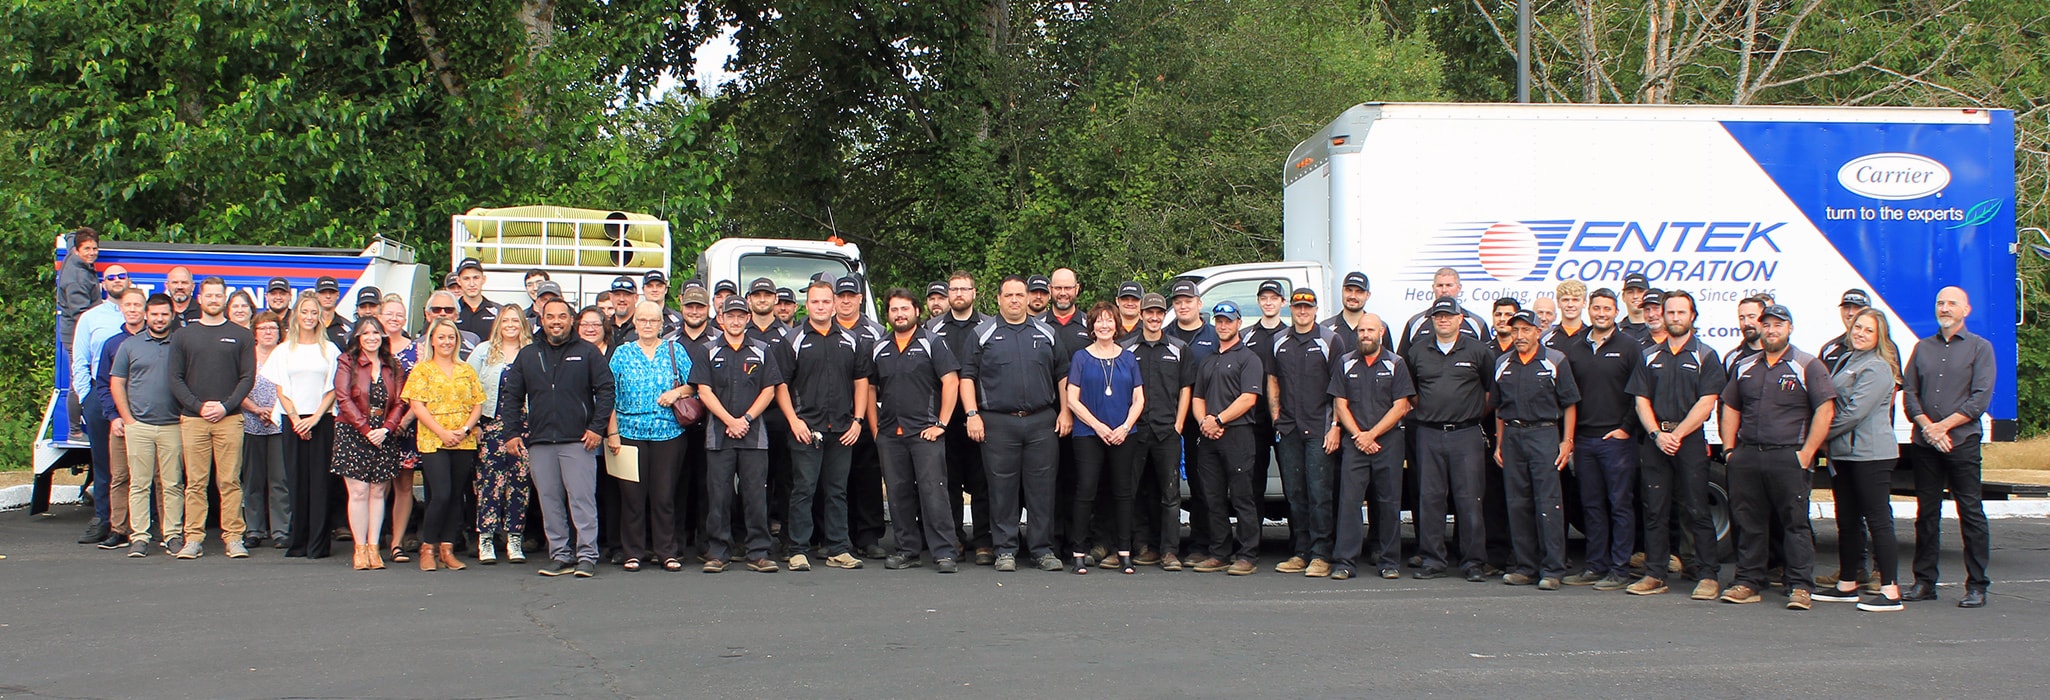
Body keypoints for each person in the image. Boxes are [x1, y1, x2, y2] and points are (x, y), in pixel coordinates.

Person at [1717, 302, 1835, 610]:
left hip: (1788, 457)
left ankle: (1799, 586)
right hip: (1748, 456)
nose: (1771, 330)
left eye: (1778, 325)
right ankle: (1748, 581)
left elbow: (1825, 409)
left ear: (1790, 328)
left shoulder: (1807, 365)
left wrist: (1807, 453)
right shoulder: (1745, 366)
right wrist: (1730, 450)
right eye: (1767, 325)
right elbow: (1730, 406)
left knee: (1794, 524)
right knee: (1748, 522)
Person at [960, 275, 1073, 573]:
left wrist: (1065, 412)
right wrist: (972, 415)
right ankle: (1005, 550)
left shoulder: (1046, 332)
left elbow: (1063, 375)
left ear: (1028, 298)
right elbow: (967, 377)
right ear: (998, 299)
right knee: (1001, 489)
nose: (1014, 300)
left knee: (1042, 489)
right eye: (1008, 295)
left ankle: (1042, 549)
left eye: (1019, 295)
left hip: (1041, 422)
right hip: (997, 423)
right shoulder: (983, 334)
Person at [503, 298, 617, 579]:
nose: (556, 321)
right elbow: (512, 396)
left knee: (581, 500)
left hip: (578, 440)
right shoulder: (528, 355)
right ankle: (561, 554)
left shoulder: (587, 353)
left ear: (571, 320)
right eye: (550, 317)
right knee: (550, 501)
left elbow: (606, 390)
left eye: (562, 317)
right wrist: (512, 432)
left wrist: (597, 428)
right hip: (540, 441)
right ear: (541, 320)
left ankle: (587, 555)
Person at [1624, 289, 1726, 599]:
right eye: (1670, 313)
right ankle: (1655, 573)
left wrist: (1677, 435)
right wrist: (1657, 434)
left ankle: (1707, 575)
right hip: (1656, 441)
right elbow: (1641, 400)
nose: (1675, 318)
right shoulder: (1649, 355)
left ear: (1692, 316)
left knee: (1696, 508)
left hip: (1689, 441)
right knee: (1654, 509)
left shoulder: (1706, 355)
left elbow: (1707, 403)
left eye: (1681, 312)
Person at [1903, 286, 1997, 608]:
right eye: (1940, 303)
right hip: (1926, 442)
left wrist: (1944, 426)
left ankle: (1977, 585)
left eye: (1952, 304)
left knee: (1970, 512)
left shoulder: (1980, 349)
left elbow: (1980, 398)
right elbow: (1910, 394)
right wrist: (1928, 427)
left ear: (1966, 310)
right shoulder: (1922, 348)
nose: (1945, 308)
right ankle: (1924, 582)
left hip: (1962, 442)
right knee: (1926, 513)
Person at [1813, 308, 1906, 612]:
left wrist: (1820, 435)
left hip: (1871, 455)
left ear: (1880, 335)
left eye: (1868, 329)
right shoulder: (1847, 360)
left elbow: (1854, 413)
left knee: (1878, 519)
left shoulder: (1879, 367)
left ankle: (1890, 589)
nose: (1861, 333)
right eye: (1858, 327)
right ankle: (1847, 584)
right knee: (1848, 520)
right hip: (1844, 455)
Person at [775, 281, 871, 571]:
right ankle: (798, 550)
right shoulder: (793, 340)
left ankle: (838, 549)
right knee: (803, 489)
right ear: (808, 305)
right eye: (815, 302)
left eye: (825, 302)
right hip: (806, 429)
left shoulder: (852, 339)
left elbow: (861, 382)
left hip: (842, 428)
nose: (820, 307)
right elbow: (780, 385)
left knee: (837, 491)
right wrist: (794, 422)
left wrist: (858, 421)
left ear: (833, 305)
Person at [867, 288, 963, 573]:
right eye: (894, 310)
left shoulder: (933, 343)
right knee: (897, 494)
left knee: (934, 492)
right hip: (889, 435)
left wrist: (942, 424)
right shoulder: (879, 347)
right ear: (888, 315)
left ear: (916, 311)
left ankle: (944, 552)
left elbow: (951, 382)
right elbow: (870, 389)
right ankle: (907, 550)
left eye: (904, 309)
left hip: (925, 432)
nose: (899, 314)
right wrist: (875, 431)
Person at [1403, 296, 1495, 582]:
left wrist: (1470, 415)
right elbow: (1412, 392)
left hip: (1466, 434)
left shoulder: (1479, 351)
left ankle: (1473, 562)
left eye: (1448, 316)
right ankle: (1433, 559)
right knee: (1430, 499)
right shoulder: (1418, 351)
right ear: (1432, 320)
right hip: (1429, 433)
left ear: (1460, 319)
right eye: (1438, 316)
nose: (1443, 320)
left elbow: (1491, 392)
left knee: (1469, 500)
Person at [1490, 310, 1581, 591]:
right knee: (1517, 503)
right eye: (1515, 330)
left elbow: (1569, 403)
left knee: (1548, 503)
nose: (1519, 336)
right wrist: (1499, 443)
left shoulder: (1555, 360)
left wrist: (1567, 441)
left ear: (1537, 332)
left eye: (1525, 330)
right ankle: (1525, 567)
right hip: (1514, 436)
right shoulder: (1503, 363)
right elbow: (1498, 408)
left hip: (1544, 434)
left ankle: (1552, 568)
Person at [167, 276, 256, 559]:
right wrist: (198, 405)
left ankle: (233, 537)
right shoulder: (183, 335)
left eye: (219, 296)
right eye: (209, 296)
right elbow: (174, 378)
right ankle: (193, 538)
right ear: (200, 298)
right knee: (195, 482)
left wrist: (226, 406)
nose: (214, 300)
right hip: (193, 419)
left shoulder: (241, 335)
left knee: (230, 481)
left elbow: (247, 377)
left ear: (224, 299)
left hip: (229, 418)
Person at [694, 298, 783, 573]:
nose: (735, 321)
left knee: (755, 495)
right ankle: (719, 552)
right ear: (720, 319)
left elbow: (770, 390)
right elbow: (703, 391)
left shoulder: (762, 350)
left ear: (747, 318)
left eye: (740, 316)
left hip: (753, 435)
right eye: (729, 316)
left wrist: (744, 419)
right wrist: (729, 420)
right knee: (718, 495)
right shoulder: (708, 350)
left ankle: (758, 551)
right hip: (718, 435)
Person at [1559, 289, 1639, 591]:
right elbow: (1569, 398)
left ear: (1616, 312)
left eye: (1607, 308)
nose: (1601, 313)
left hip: (1616, 439)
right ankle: (1595, 565)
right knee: (1591, 506)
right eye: (1596, 308)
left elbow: (1640, 393)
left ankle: (1620, 568)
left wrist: (1626, 428)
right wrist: (1570, 438)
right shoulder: (1576, 349)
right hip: (1585, 440)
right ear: (1588, 311)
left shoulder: (1630, 347)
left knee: (1619, 505)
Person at [603, 302, 692, 572]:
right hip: (629, 432)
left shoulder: (675, 350)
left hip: (668, 432)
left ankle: (667, 551)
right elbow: (609, 394)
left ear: (661, 324)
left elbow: (695, 384)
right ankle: (633, 552)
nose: (648, 325)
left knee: (664, 495)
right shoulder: (622, 353)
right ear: (636, 323)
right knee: (632, 496)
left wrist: (676, 394)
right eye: (642, 320)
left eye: (653, 320)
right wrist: (612, 433)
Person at [1327, 313, 1411, 581]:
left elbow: (1401, 406)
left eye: (1370, 330)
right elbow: (1340, 403)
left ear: (1381, 332)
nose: (1365, 334)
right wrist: (1359, 435)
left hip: (1388, 443)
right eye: (1362, 330)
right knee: (1349, 504)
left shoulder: (1396, 363)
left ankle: (1389, 561)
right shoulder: (1345, 362)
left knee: (1388, 503)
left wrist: (1372, 434)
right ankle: (1344, 562)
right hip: (1355, 444)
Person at [1063, 302, 1144, 575]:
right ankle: (1078, 553)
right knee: (1086, 491)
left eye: (1109, 320)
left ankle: (1124, 552)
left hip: (1124, 434)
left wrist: (1124, 426)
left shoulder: (1129, 358)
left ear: (1117, 325)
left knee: (1123, 492)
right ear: (1092, 326)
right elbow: (1072, 400)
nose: (1105, 325)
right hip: (1088, 433)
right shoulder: (1081, 358)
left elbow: (1138, 398)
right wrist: (1098, 426)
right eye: (1099, 321)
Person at [1267, 288, 1341, 577]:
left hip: (1320, 429)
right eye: (1298, 307)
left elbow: (1339, 387)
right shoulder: (1279, 341)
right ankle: (1301, 551)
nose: (1302, 312)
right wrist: (1276, 417)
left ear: (1315, 310)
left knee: (1319, 493)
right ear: (1291, 310)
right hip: (1288, 429)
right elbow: (1272, 380)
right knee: (1295, 493)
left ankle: (1322, 555)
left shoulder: (1329, 340)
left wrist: (1335, 426)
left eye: (1307, 308)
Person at [1188, 301, 1263, 576]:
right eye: (1219, 321)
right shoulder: (1208, 360)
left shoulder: (1249, 358)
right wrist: (1204, 422)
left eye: (1228, 321)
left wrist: (1219, 419)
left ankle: (1247, 555)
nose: (1223, 325)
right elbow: (1198, 397)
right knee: (1212, 496)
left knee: (1242, 497)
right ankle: (1219, 552)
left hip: (1238, 434)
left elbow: (1248, 398)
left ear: (1238, 323)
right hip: (1209, 435)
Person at [404, 319, 486, 572]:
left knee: (457, 496)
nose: (446, 342)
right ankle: (428, 546)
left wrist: (463, 430)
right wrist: (441, 432)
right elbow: (417, 406)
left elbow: (477, 403)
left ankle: (447, 549)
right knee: (440, 494)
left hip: (463, 440)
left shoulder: (466, 370)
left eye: (451, 337)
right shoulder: (422, 370)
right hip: (433, 440)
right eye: (441, 337)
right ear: (432, 340)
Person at [269, 293, 340, 560]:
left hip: (321, 421)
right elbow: (280, 388)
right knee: (296, 481)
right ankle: (297, 541)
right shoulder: (284, 350)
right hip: (293, 421)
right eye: (305, 312)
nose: (309, 317)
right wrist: (297, 419)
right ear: (296, 315)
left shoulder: (330, 350)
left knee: (320, 483)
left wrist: (315, 418)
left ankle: (318, 545)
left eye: (314, 313)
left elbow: (332, 388)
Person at [333, 320, 409, 571]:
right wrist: (366, 430)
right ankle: (360, 548)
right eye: (365, 333)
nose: (371, 337)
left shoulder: (392, 364)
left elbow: (400, 401)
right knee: (358, 492)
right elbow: (343, 398)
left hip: (383, 434)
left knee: (378, 492)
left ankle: (374, 547)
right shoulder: (347, 361)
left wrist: (387, 428)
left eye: (376, 332)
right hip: (353, 432)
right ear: (357, 337)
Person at [926, 271, 992, 563]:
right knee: (948, 483)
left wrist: (977, 412)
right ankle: (953, 538)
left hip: (981, 415)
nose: (959, 294)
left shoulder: (988, 326)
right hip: (945, 419)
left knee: (983, 482)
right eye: (954, 289)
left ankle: (984, 541)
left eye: (965, 289)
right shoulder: (932, 328)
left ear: (975, 293)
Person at [1123, 293, 1192, 570]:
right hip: (1135, 431)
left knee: (1170, 494)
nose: (1153, 318)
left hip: (1167, 431)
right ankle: (1140, 545)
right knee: (1134, 491)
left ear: (1164, 316)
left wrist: (1178, 424)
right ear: (1141, 315)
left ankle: (1169, 551)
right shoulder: (1125, 348)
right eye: (1149, 313)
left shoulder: (1178, 348)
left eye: (1158, 313)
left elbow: (1186, 388)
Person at [111, 293, 181, 557]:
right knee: (139, 484)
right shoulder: (130, 346)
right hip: (139, 424)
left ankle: (172, 534)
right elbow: (117, 382)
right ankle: (139, 536)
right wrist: (128, 419)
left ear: (172, 316)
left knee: (172, 483)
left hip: (173, 424)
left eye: (164, 314)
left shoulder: (181, 344)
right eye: (155, 314)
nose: (159, 319)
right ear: (146, 316)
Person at [468, 305, 534, 564]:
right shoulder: (483, 352)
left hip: (524, 427)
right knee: (489, 485)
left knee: (520, 484)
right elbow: (468, 387)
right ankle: (486, 538)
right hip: (491, 427)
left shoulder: (532, 352)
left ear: (523, 325)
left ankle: (514, 538)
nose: (510, 324)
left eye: (515, 320)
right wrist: (472, 425)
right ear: (498, 324)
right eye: (505, 320)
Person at [72, 265, 132, 545]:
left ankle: (136, 523)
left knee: (139, 463)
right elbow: (80, 360)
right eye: (111, 278)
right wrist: (86, 398)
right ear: (103, 284)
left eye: (122, 276)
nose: (117, 281)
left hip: (137, 395)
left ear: (129, 282)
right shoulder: (90, 318)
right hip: (101, 394)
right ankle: (103, 519)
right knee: (105, 463)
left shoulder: (140, 312)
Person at [832, 275, 890, 561]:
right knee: (835, 482)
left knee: (867, 477)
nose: (845, 301)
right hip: (832, 415)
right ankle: (838, 537)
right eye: (840, 296)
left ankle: (868, 537)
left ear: (860, 299)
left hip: (867, 414)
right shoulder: (823, 328)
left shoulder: (877, 332)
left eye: (850, 296)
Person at [87, 286, 147, 551]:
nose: (133, 310)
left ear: (144, 310)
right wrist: (114, 416)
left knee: (154, 478)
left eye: (137, 305)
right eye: (129, 305)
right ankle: (119, 529)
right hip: (122, 422)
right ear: (121, 309)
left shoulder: (161, 339)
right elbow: (103, 384)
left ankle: (149, 529)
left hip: (152, 419)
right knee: (120, 476)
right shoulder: (112, 344)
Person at [379, 297, 424, 563]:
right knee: (377, 487)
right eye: (389, 313)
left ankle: (397, 543)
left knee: (404, 486)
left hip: (405, 428)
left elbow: (418, 391)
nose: (394, 318)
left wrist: (403, 422)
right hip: (376, 430)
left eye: (399, 314)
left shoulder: (416, 350)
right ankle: (373, 540)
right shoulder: (373, 345)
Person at [239, 312, 289, 549]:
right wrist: (256, 409)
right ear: (255, 333)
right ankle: (254, 529)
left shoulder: (286, 355)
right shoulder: (246, 358)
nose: (268, 332)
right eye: (263, 328)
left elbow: (292, 387)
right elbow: (236, 388)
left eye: (272, 328)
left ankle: (281, 529)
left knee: (279, 480)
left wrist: (274, 410)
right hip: (251, 423)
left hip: (279, 424)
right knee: (252, 480)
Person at [1398, 269, 1490, 356]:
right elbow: (1403, 361)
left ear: (1459, 288)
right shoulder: (1415, 322)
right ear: (1433, 288)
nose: (1444, 290)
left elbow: (1487, 358)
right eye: (1440, 285)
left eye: (1449, 285)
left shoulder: (1476, 323)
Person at [57, 227, 102, 362]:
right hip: (76, 335)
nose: (91, 253)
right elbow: (80, 314)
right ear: (77, 250)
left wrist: (70, 235)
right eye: (86, 249)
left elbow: (71, 237)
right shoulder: (77, 278)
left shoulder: (73, 255)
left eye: (94, 248)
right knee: (80, 378)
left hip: (78, 333)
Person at [1320, 272, 1375, 358]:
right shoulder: (1325, 328)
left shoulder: (1379, 328)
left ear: (1368, 295)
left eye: (1359, 292)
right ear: (1342, 291)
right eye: (1349, 290)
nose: (1353, 296)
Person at [423, 291, 482, 359]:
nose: (442, 313)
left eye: (448, 310)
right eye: (436, 309)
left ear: (456, 315)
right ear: (427, 315)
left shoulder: (473, 340)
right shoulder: (418, 345)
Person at [452, 257, 501, 339]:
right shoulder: (450, 310)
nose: (472, 284)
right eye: (466, 279)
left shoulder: (498, 311)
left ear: (483, 279)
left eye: (476, 278)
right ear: (458, 281)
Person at [1725, 295, 1767, 374]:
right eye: (1741, 318)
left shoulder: (1779, 355)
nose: (1746, 323)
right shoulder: (1731, 358)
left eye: (1751, 317)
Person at [1547, 280, 1588, 351]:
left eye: (1575, 300)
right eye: (1565, 300)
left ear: (1584, 303)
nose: (1570, 305)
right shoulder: (1545, 337)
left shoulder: (1592, 336)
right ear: (1558, 303)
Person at [642, 270, 685, 336]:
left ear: (666, 290)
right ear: (643, 290)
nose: (655, 290)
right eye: (650, 286)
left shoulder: (678, 319)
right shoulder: (635, 318)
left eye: (659, 286)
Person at [314, 276, 350, 347]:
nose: (328, 296)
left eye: (331, 292)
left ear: (338, 295)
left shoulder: (348, 327)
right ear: (316, 295)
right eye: (323, 292)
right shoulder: (309, 324)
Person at [604, 276, 639, 347]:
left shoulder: (643, 327)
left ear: (636, 298)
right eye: (617, 295)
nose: (622, 299)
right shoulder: (603, 327)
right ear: (610, 297)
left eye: (627, 295)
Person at [1618, 272, 1651, 339]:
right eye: (1630, 292)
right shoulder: (1615, 331)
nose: (1635, 296)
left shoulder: (1659, 329)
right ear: (1623, 297)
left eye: (1640, 291)